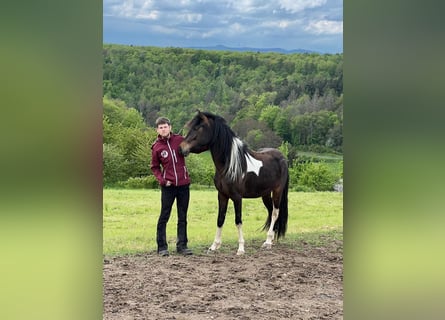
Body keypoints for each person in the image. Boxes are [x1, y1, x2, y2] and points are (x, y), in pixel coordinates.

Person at [151, 117, 193, 256]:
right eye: (160, 127)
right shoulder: (156, 147)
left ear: (170, 127)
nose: (163, 129)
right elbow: (155, 167)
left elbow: (189, 148)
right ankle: (162, 247)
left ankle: (182, 246)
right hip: (168, 187)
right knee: (164, 215)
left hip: (183, 185)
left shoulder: (180, 140)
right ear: (157, 130)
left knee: (182, 216)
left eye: (165, 126)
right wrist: (162, 180)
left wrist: (187, 150)